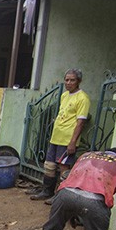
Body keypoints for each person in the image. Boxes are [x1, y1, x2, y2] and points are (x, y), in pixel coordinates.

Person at [29, 69, 91, 201]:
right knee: (49, 166)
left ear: (79, 81)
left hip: (67, 140)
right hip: (56, 137)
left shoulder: (83, 98)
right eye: (66, 80)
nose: (68, 83)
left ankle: (59, 197)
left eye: (72, 80)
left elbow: (80, 122)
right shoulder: (64, 95)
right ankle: (47, 192)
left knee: (64, 169)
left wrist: (73, 142)